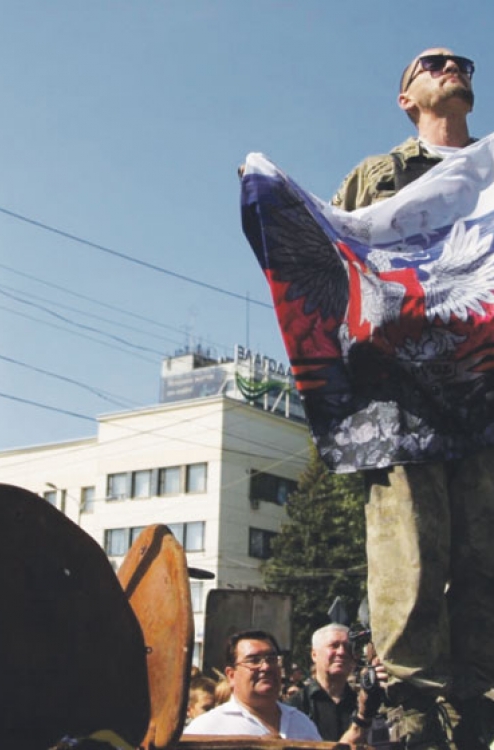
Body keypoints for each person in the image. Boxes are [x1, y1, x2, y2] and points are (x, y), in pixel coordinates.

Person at [332, 48, 494, 750]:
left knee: (484, 559)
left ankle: (479, 706)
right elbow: (330, 262)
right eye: (433, 63)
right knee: (412, 558)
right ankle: (412, 712)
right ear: (406, 98)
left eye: (463, 62)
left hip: (484, 396)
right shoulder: (378, 177)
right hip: (405, 403)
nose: (452, 67)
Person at [183, 629, 321, 740]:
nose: (266, 667)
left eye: (272, 659)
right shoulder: (206, 729)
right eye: (254, 660)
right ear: (231, 675)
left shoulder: (302, 723)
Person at [289, 623, 387, 742]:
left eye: (348, 647)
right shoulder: (296, 706)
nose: (342, 652)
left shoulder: (364, 702)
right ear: (314, 655)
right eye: (334, 646)